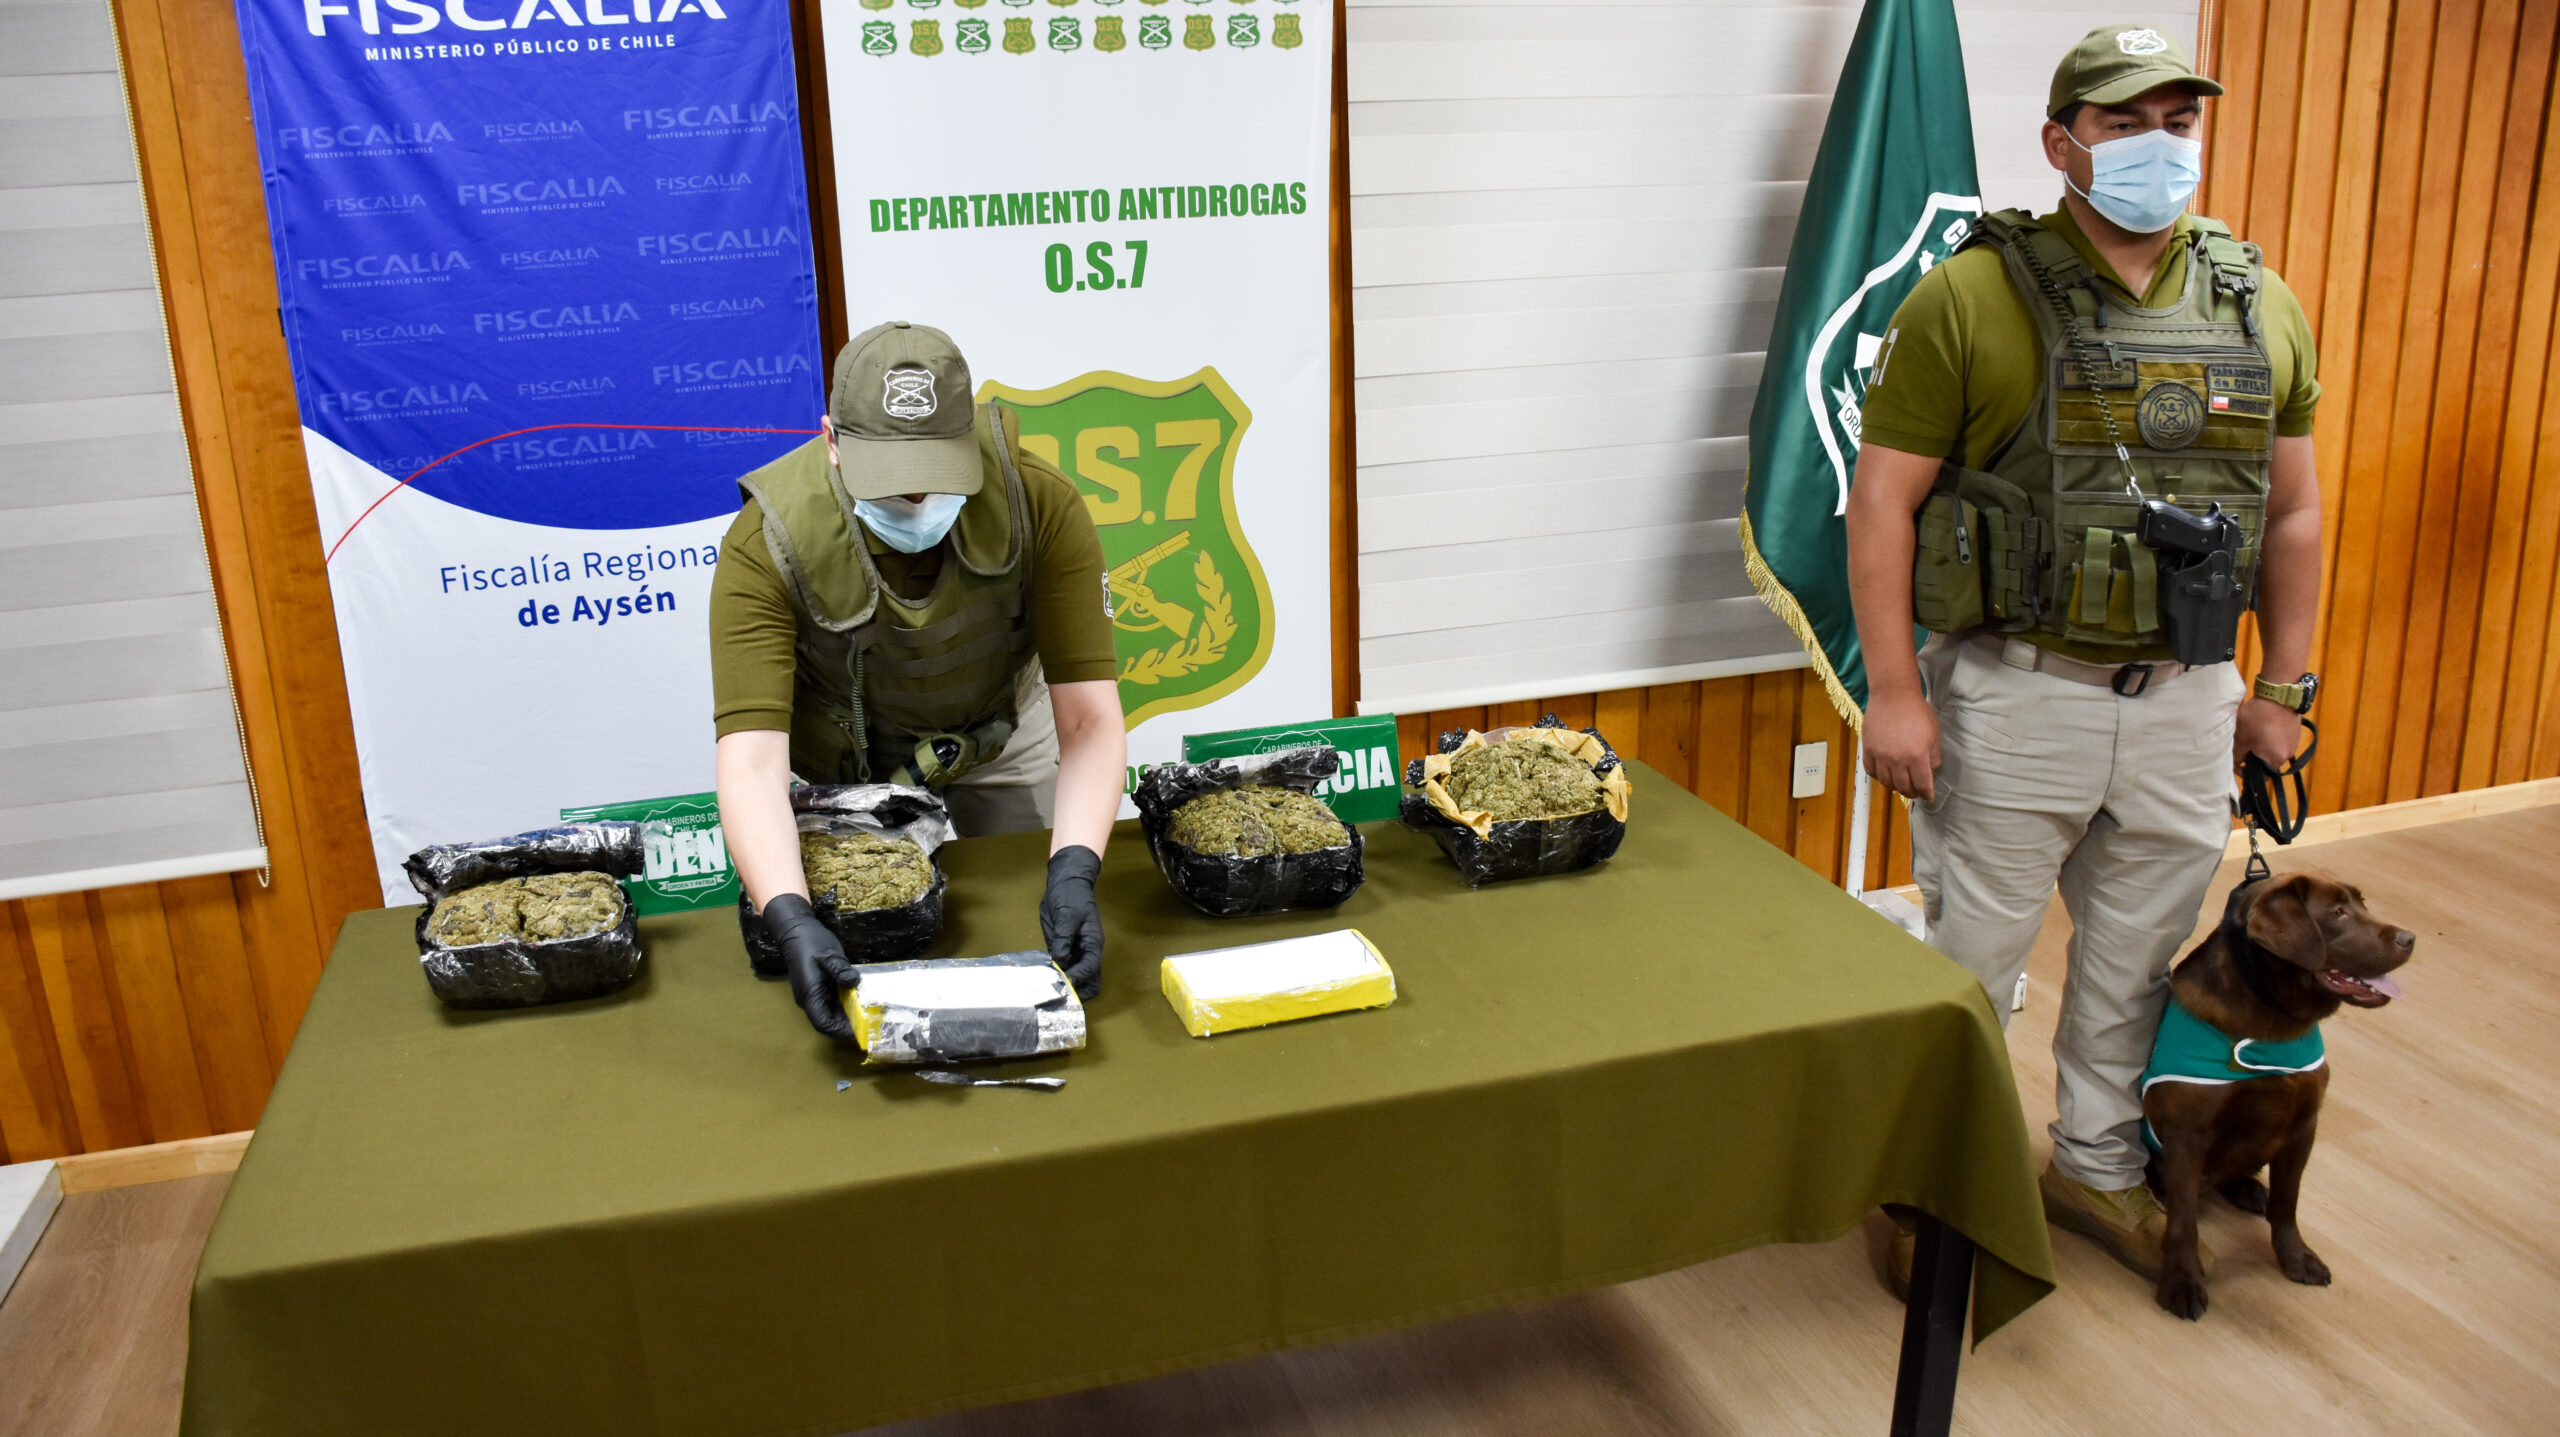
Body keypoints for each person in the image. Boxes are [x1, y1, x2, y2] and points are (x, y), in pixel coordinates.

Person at [1846, 27, 2324, 1284]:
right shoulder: (1970, 296)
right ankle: (1928, 1187)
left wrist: (2282, 687)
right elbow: (1881, 500)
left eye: (2178, 119)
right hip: (2018, 693)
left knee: (2133, 963)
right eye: (2122, 123)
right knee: (1972, 965)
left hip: (2187, 697)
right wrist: (1892, 691)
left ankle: (2099, 1166)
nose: (2158, 144)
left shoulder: (2256, 300)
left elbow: (2291, 511)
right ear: (2061, 144)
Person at [710, 320, 1127, 1042]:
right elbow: (751, 763)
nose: (914, 500)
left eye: (936, 473)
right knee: (860, 947)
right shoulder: (767, 543)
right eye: (889, 480)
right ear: (831, 442)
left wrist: (1075, 871)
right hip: (846, 768)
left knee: (1023, 917)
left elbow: (1089, 719)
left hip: (998, 732)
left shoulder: (1038, 501)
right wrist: (790, 916)